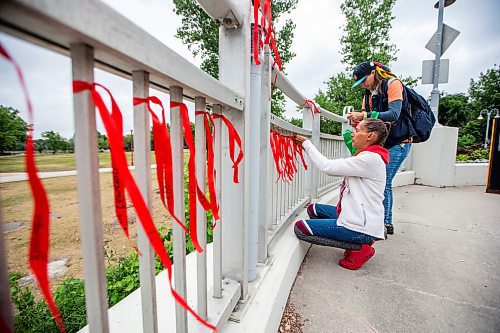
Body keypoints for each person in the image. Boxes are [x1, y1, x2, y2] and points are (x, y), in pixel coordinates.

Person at [294, 119, 390, 270]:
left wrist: (307, 144)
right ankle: (357, 239)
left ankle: (360, 247)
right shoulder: (368, 156)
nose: (352, 134)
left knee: (301, 228)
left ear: (370, 136)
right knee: (313, 209)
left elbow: (327, 167)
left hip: (361, 226)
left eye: (357, 130)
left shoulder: (369, 159)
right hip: (359, 216)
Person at [348, 61, 412, 236]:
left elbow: (394, 114)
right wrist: (358, 122)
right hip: (383, 143)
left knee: (384, 182)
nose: (362, 85)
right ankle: (376, 221)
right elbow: (367, 121)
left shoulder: (393, 84)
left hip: (399, 141)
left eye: (363, 80)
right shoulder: (368, 94)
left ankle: (384, 224)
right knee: (378, 182)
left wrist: (364, 115)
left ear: (372, 74)